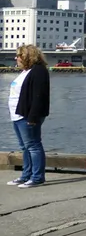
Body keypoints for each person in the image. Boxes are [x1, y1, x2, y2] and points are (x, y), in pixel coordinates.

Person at [7, 44, 50, 188]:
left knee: (33, 145)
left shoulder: (38, 71)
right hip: (17, 115)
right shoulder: (25, 71)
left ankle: (37, 177)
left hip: (28, 115)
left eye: (18, 55)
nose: (16, 58)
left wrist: (33, 117)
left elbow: (39, 96)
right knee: (24, 147)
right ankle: (26, 175)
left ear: (26, 56)